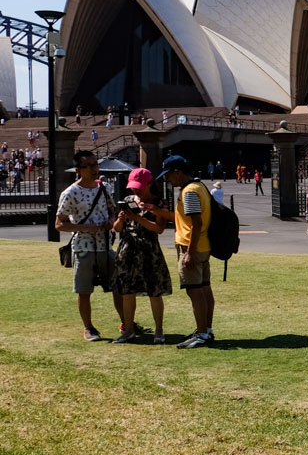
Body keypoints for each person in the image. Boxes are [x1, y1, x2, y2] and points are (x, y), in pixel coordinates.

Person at [56, 150, 121, 341]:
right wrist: (86, 227)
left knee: (118, 286)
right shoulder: (70, 193)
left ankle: (127, 322)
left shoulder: (104, 187)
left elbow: (112, 212)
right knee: (84, 290)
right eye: (89, 165)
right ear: (79, 170)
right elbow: (59, 224)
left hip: (105, 245)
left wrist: (110, 221)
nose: (95, 169)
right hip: (83, 246)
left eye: (96, 164)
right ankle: (89, 328)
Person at [159, 155, 215, 349]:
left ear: (178, 172)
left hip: (192, 247)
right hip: (204, 245)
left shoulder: (189, 192)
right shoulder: (200, 187)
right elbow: (186, 219)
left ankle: (201, 334)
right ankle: (206, 330)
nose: (167, 180)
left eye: (168, 175)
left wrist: (189, 252)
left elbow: (196, 223)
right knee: (204, 289)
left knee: (195, 291)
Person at [112, 167, 173, 343]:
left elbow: (159, 229)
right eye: (133, 186)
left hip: (149, 251)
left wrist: (138, 218)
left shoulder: (158, 203)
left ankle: (159, 331)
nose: (135, 190)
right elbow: (116, 228)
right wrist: (121, 219)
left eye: (139, 186)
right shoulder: (128, 200)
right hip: (128, 250)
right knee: (127, 291)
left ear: (149, 184)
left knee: (154, 291)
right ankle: (128, 330)